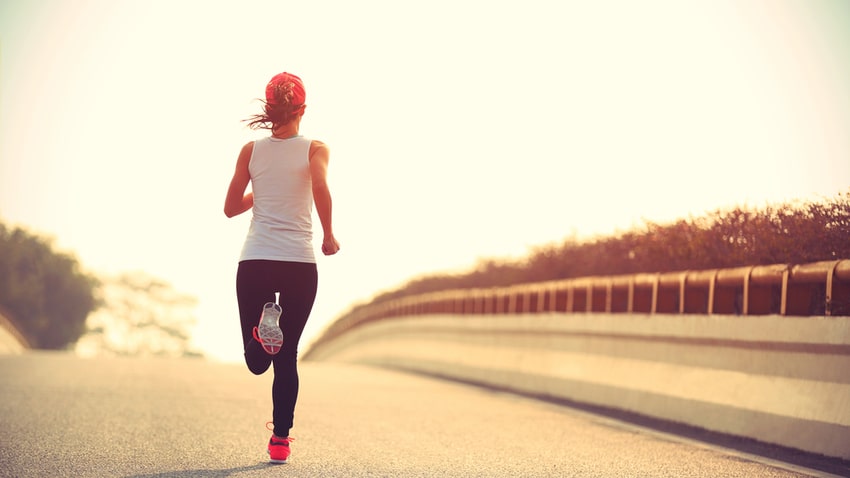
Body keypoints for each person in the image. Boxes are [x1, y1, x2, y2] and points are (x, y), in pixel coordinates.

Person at [224, 71, 340, 464]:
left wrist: (265, 189)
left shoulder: (250, 151)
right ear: (302, 109)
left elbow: (230, 208)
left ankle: (260, 333)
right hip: (298, 263)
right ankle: (280, 441)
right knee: (287, 355)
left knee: (258, 362)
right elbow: (320, 187)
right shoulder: (316, 149)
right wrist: (329, 235)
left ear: (269, 109)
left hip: (256, 259)